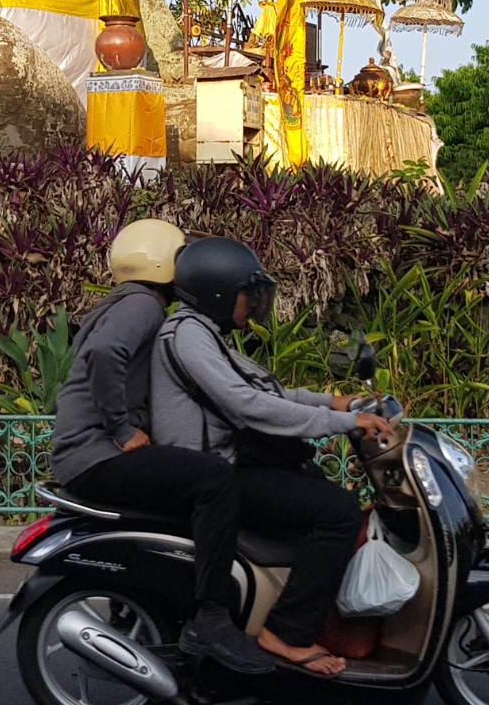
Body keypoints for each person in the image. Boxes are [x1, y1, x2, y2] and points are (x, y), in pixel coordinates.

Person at [151, 236, 399, 677]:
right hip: (213, 472)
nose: (255, 305)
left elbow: (268, 393)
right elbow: (247, 405)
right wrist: (344, 423)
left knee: (320, 489)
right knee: (338, 511)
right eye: (250, 295)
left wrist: (335, 403)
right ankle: (286, 632)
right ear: (218, 293)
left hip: (227, 465)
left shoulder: (204, 333)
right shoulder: (187, 334)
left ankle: (297, 609)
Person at [49, 219, 274, 676]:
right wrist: (123, 429)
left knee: (187, 491)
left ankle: (141, 608)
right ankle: (210, 619)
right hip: (97, 455)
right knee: (213, 480)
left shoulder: (129, 303)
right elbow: (104, 354)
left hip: (87, 455)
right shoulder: (143, 305)